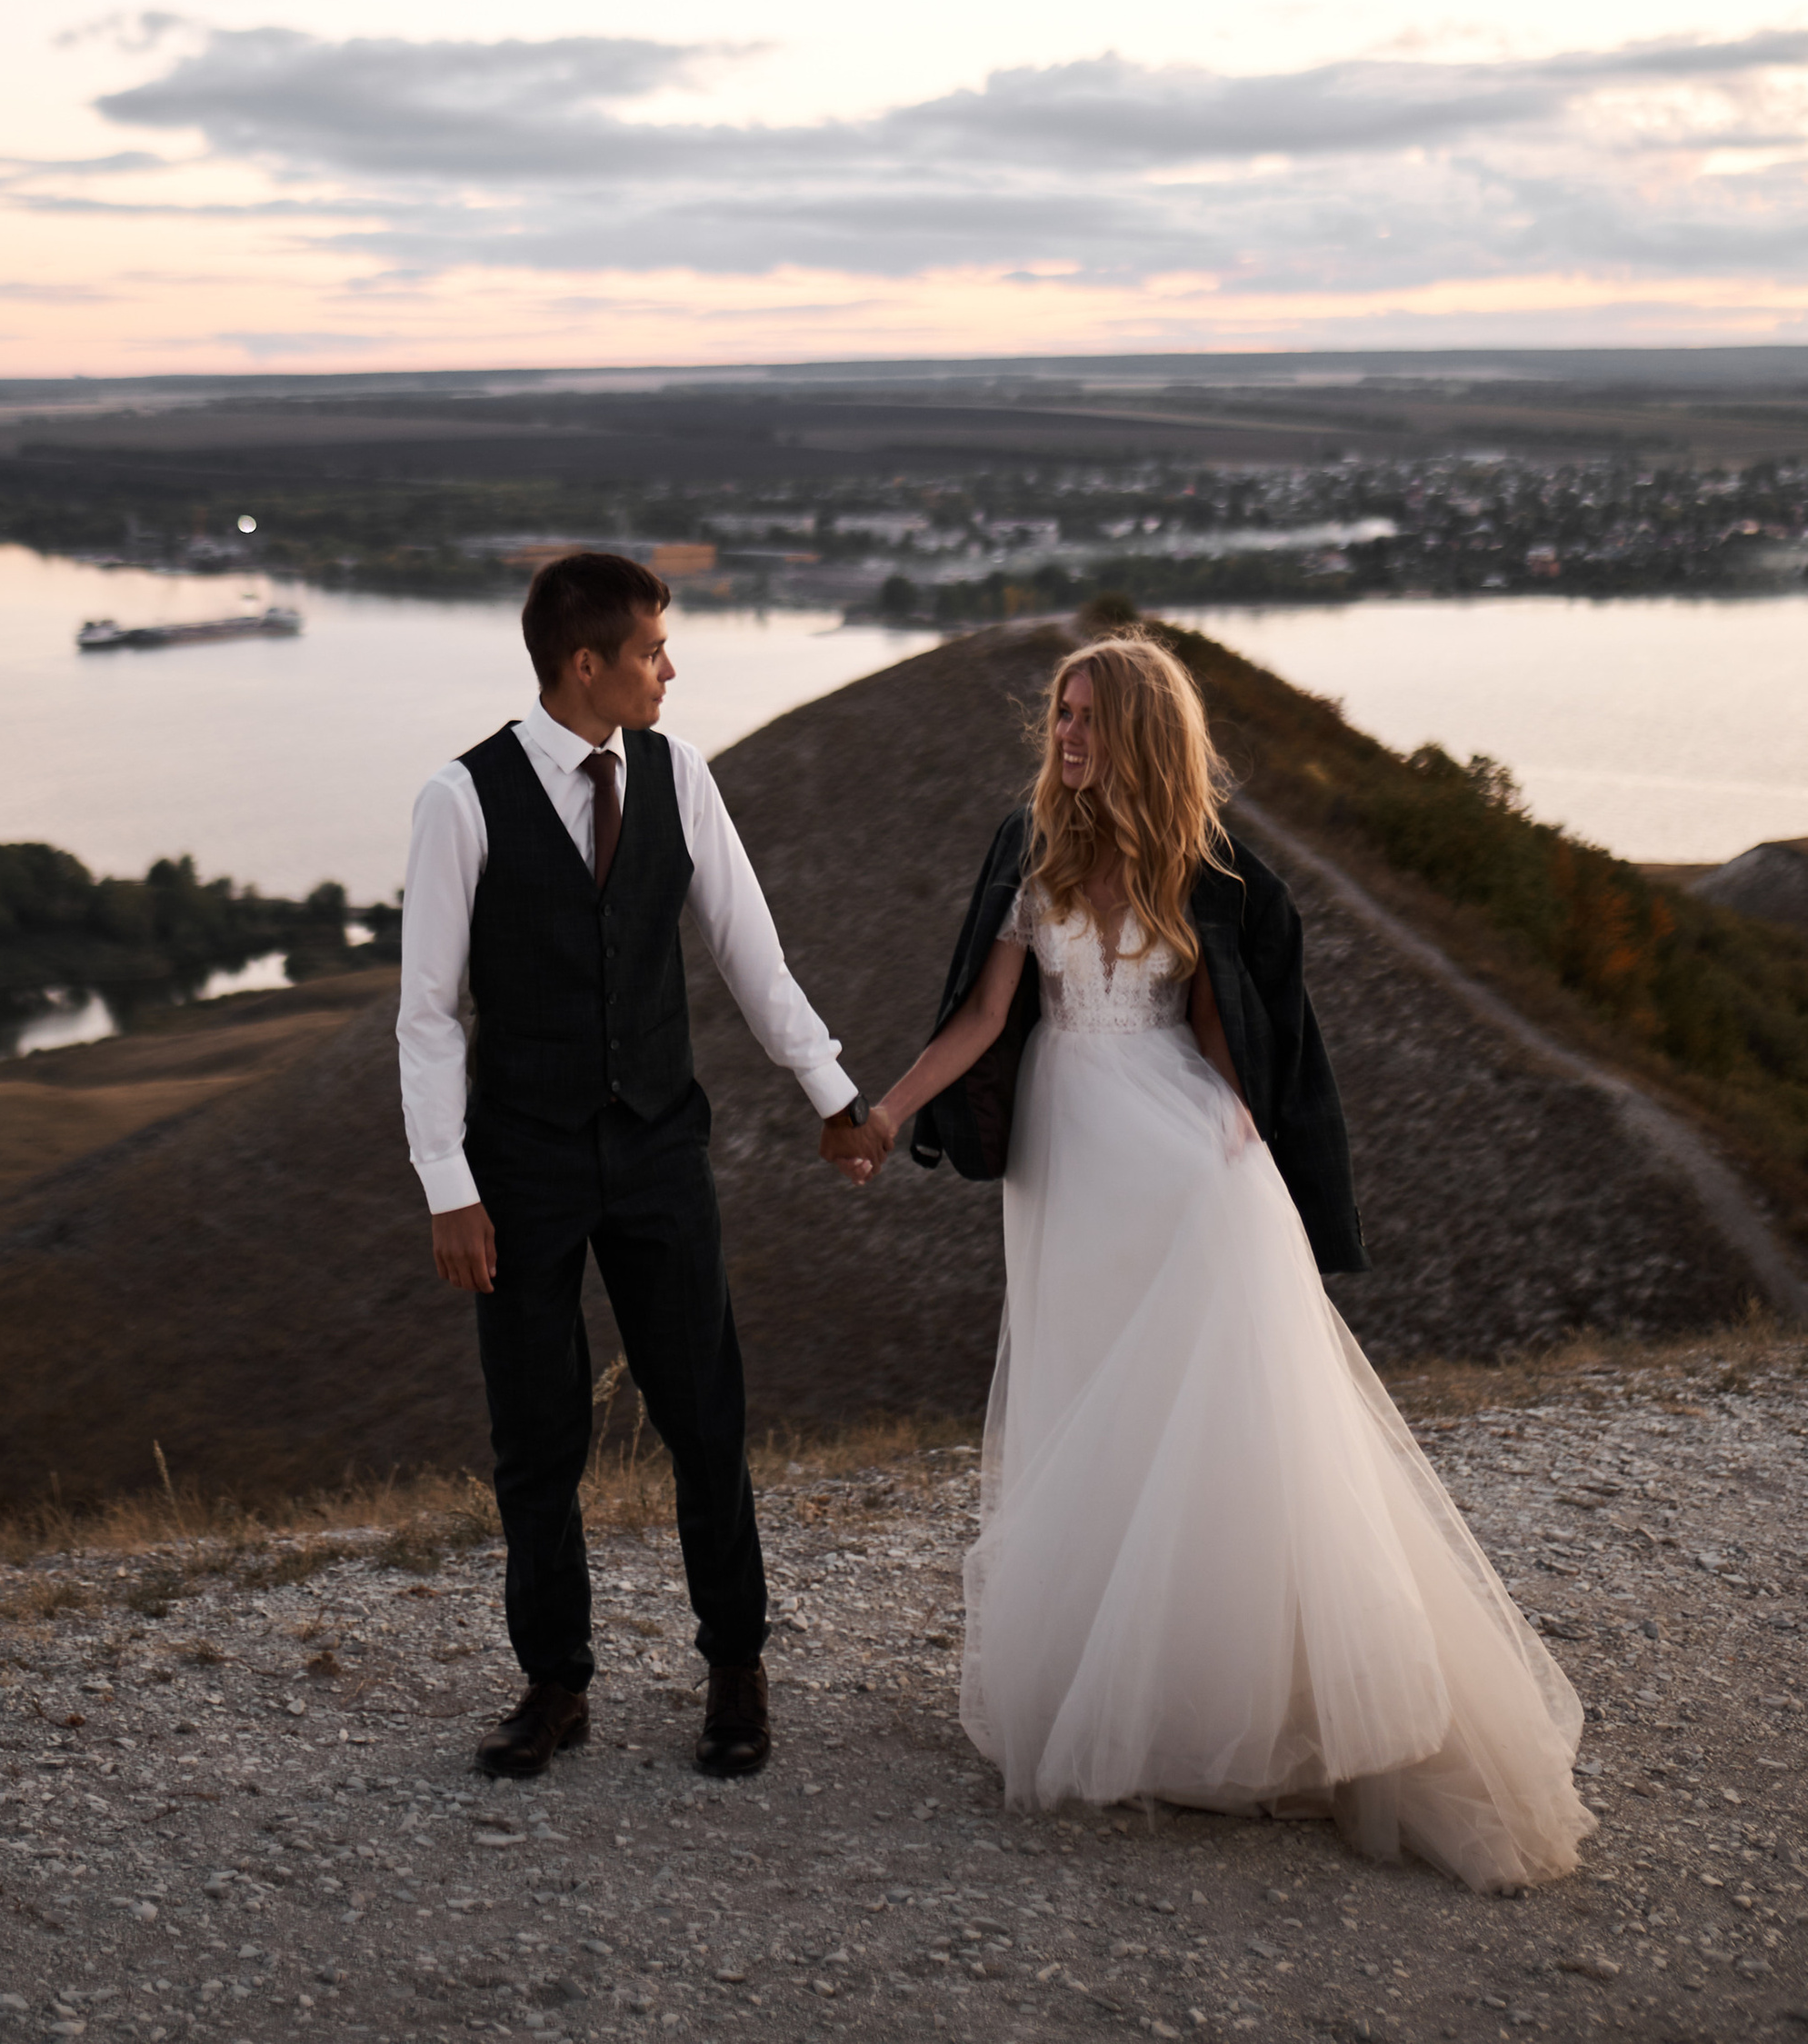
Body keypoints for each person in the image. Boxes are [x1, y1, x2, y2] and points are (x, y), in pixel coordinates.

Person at [850, 630, 1593, 1892]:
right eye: (1059, 715)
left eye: (1087, 717)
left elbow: (1233, 1032)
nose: (1065, 735)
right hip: (1066, 1153)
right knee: (1089, 1397)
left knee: (1213, 1420)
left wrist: (1249, 1137)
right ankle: (1115, 1680)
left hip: (1175, 1150)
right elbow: (981, 1016)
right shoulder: (1029, 852)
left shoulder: (1215, 873)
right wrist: (882, 1110)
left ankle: (1233, 1701)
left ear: (1138, 730)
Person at [398, 550, 879, 1781]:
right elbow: (430, 1013)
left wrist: (835, 1094)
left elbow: (750, 954)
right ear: (585, 664)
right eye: (653, 648)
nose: (671, 666)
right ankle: (556, 1685)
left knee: (703, 1413)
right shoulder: (461, 799)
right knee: (537, 1433)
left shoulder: (678, 776)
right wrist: (447, 1179)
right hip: (522, 1167)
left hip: (660, 1148)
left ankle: (736, 1666)